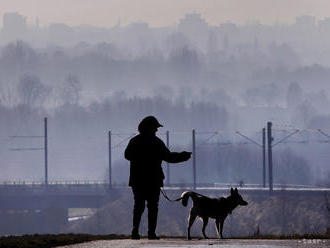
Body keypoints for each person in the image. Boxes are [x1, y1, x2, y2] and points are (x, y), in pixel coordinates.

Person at [124, 116, 191, 240]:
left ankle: (135, 231)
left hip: (137, 180)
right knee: (153, 207)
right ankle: (151, 233)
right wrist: (183, 156)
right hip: (153, 180)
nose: (156, 130)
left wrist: (140, 158)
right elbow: (169, 157)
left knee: (138, 206)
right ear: (149, 127)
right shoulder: (157, 142)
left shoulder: (134, 141)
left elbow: (127, 155)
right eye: (155, 127)